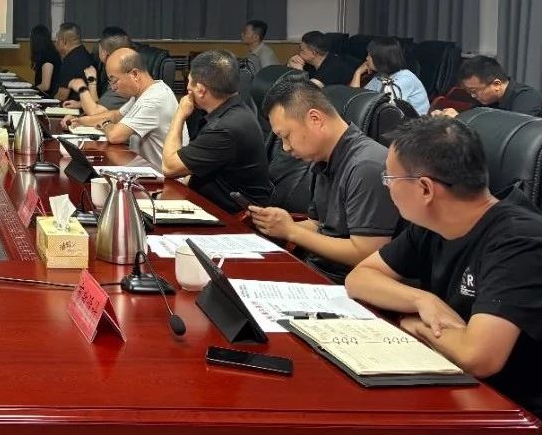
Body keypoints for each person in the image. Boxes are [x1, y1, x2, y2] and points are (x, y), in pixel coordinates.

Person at [298, 117, 542, 435]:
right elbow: (360, 278)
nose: (387, 187)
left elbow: (479, 356)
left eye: (390, 179)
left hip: (512, 432)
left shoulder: (519, 239)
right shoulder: (434, 226)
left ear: (425, 189)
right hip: (454, 402)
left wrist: (417, 326)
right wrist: (422, 300)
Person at [247, 77, 398, 281]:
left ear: (315, 119)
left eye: (286, 136)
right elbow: (319, 225)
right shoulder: (323, 158)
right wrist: (274, 225)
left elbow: (366, 252)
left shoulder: (367, 166)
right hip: (316, 268)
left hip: (345, 282)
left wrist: (291, 231)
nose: (285, 147)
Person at [162, 50, 273, 213]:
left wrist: (179, 114)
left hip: (232, 218)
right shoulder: (234, 111)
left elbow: (169, 167)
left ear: (200, 90)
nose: (187, 88)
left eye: (189, 82)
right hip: (209, 204)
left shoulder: (225, 129)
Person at [64, 48, 184, 169]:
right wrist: (80, 120)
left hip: (162, 175)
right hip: (143, 167)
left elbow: (115, 136)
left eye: (114, 80)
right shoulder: (145, 92)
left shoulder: (154, 99)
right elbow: (115, 115)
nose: (113, 88)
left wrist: (105, 124)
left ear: (134, 74)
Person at [435, 56, 542, 118]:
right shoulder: (486, 99)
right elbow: (475, 119)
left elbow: (511, 133)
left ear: (496, 84)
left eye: (474, 91)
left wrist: (460, 120)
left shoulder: (527, 98)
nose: (473, 96)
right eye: (469, 92)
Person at [350, 36, 430, 115]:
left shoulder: (405, 79)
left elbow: (388, 112)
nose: (367, 58)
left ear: (380, 58)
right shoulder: (381, 76)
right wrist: (358, 73)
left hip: (416, 122)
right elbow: (355, 99)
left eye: (370, 55)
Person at [63, 32, 134, 116]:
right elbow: (103, 105)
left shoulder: (122, 82)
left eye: (99, 49)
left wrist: (83, 87)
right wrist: (81, 104)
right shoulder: (114, 72)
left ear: (105, 54)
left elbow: (94, 113)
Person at [286, 30, 360, 87]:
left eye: (302, 50)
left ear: (313, 53)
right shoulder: (311, 63)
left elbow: (307, 91)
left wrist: (298, 71)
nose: (299, 53)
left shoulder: (332, 67)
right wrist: (289, 64)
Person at [52, 22, 93, 103]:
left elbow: (62, 96)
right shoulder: (85, 54)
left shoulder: (70, 61)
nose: (55, 43)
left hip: (72, 106)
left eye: (57, 40)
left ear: (64, 42)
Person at [29, 24, 62, 97]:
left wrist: (30, 91)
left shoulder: (48, 56)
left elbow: (45, 86)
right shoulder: (48, 53)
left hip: (49, 98)